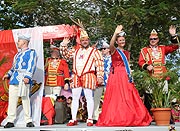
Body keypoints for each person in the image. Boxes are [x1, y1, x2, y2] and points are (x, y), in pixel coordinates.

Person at [96, 25, 152, 126]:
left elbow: (128, 66)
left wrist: (131, 77)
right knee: (116, 97)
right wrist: (115, 33)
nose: (122, 41)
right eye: (120, 40)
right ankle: (117, 117)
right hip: (116, 76)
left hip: (125, 75)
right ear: (117, 42)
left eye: (123, 40)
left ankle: (129, 116)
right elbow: (111, 44)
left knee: (128, 96)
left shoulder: (127, 53)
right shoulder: (114, 50)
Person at [59, 28, 104, 126]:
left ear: (88, 40)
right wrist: (63, 44)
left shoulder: (94, 51)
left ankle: (90, 119)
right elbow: (65, 55)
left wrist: (100, 76)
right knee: (75, 97)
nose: (84, 42)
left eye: (86, 40)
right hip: (76, 75)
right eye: (82, 40)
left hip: (88, 75)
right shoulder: (76, 51)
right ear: (80, 41)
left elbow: (99, 64)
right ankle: (73, 118)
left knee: (89, 97)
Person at [138, 25, 179, 113]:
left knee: (163, 97)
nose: (153, 40)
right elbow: (140, 62)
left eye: (155, 39)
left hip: (162, 76)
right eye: (151, 39)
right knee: (148, 98)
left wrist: (173, 35)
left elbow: (175, 47)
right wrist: (147, 66)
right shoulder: (144, 50)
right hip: (150, 76)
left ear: (158, 40)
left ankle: (166, 117)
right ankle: (148, 117)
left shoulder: (162, 48)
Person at [2, 34, 37, 128]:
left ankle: (28, 120)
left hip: (23, 78)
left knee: (25, 99)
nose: (18, 42)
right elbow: (14, 67)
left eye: (19, 41)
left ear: (24, 42)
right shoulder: (17, 54)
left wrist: (27, 77)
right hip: (14, 79)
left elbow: (31, 65)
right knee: (12, 100)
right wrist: (8, 74)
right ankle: (10, 120)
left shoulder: (31, 52)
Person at [93, 41, 112, 124]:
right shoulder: (98, 58)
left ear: (108, 49)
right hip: (99, 81)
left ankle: (110, 116)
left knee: (109, 100)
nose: (102, 50)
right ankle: (95, 117)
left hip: (109, 81)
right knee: (96, 99)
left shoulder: (112, 58)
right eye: (101, 49)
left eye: (104, 48)